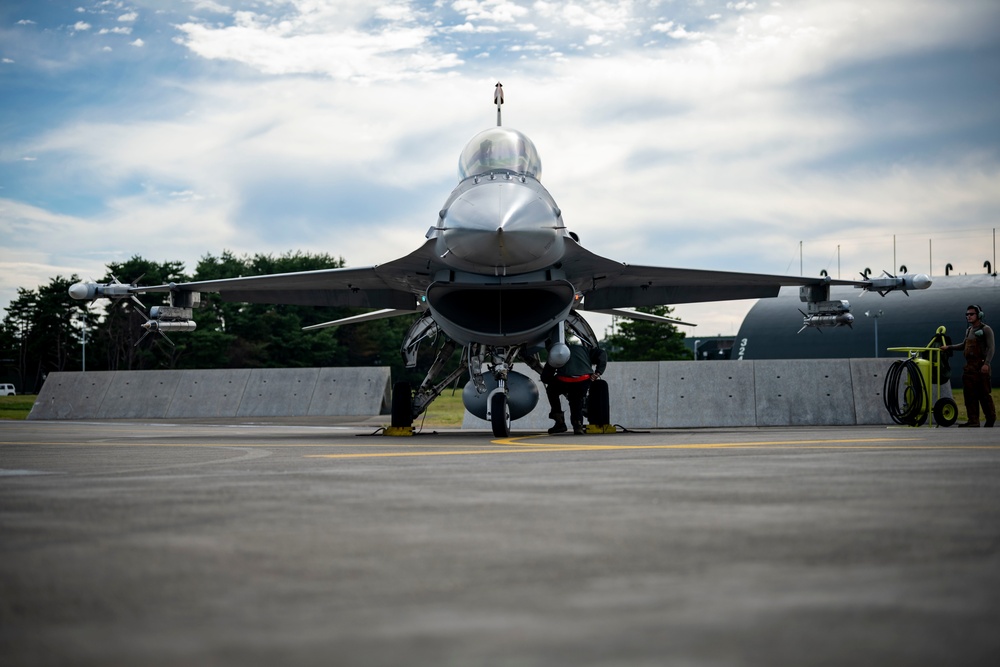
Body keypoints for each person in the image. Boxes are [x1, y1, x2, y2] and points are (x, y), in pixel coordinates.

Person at [940, 305, 995, 427]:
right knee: (969, 395)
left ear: (979, 315)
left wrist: (986, 364)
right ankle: (973, 421)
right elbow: (963, 345)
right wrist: (949, 347)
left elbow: (991, 348)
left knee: (984, 395)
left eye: (971, 314)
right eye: (967, 314)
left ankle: (990, 419)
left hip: (981, 366)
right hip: (969, 368)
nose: (968, 316)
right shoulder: (969, 330)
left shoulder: (986, 329)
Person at [541, 342, 607, 435]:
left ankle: (559, 421)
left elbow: (545, 377)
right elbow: (602, 353)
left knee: (551, 390)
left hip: (564, 380)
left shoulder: (556, 354)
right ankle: (578, 426)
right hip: (583, 380)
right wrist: (598, 372)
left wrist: (552, 378)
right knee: (576, 401)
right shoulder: (583, 349)